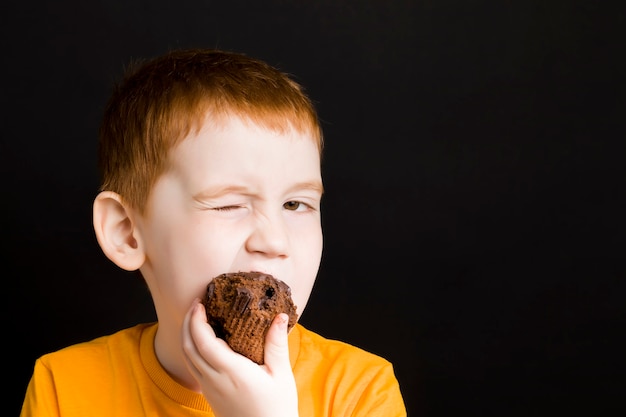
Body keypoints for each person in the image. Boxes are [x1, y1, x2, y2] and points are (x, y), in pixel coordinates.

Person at [20, 48, 407, 417]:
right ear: (127, 233)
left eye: (295, 204)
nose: (274, 242)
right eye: (229, 205)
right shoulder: (64, 387)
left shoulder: (360, 390)